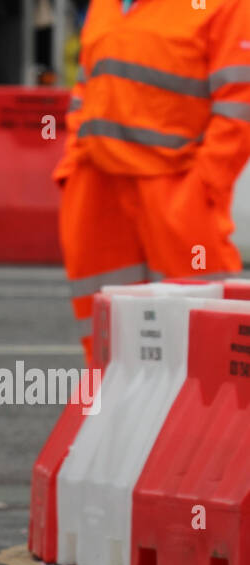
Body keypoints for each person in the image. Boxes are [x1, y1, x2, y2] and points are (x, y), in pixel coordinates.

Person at [56, 0, 250, 362]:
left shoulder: (225, 5)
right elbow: (85, 86)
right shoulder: (106, 5)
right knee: (109, 342)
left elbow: (240, 103)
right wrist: (73, 165)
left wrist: (204, 185)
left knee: (207, 341)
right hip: (98, 187)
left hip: (178, 191)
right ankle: (118, 413)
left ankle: (204, 420)